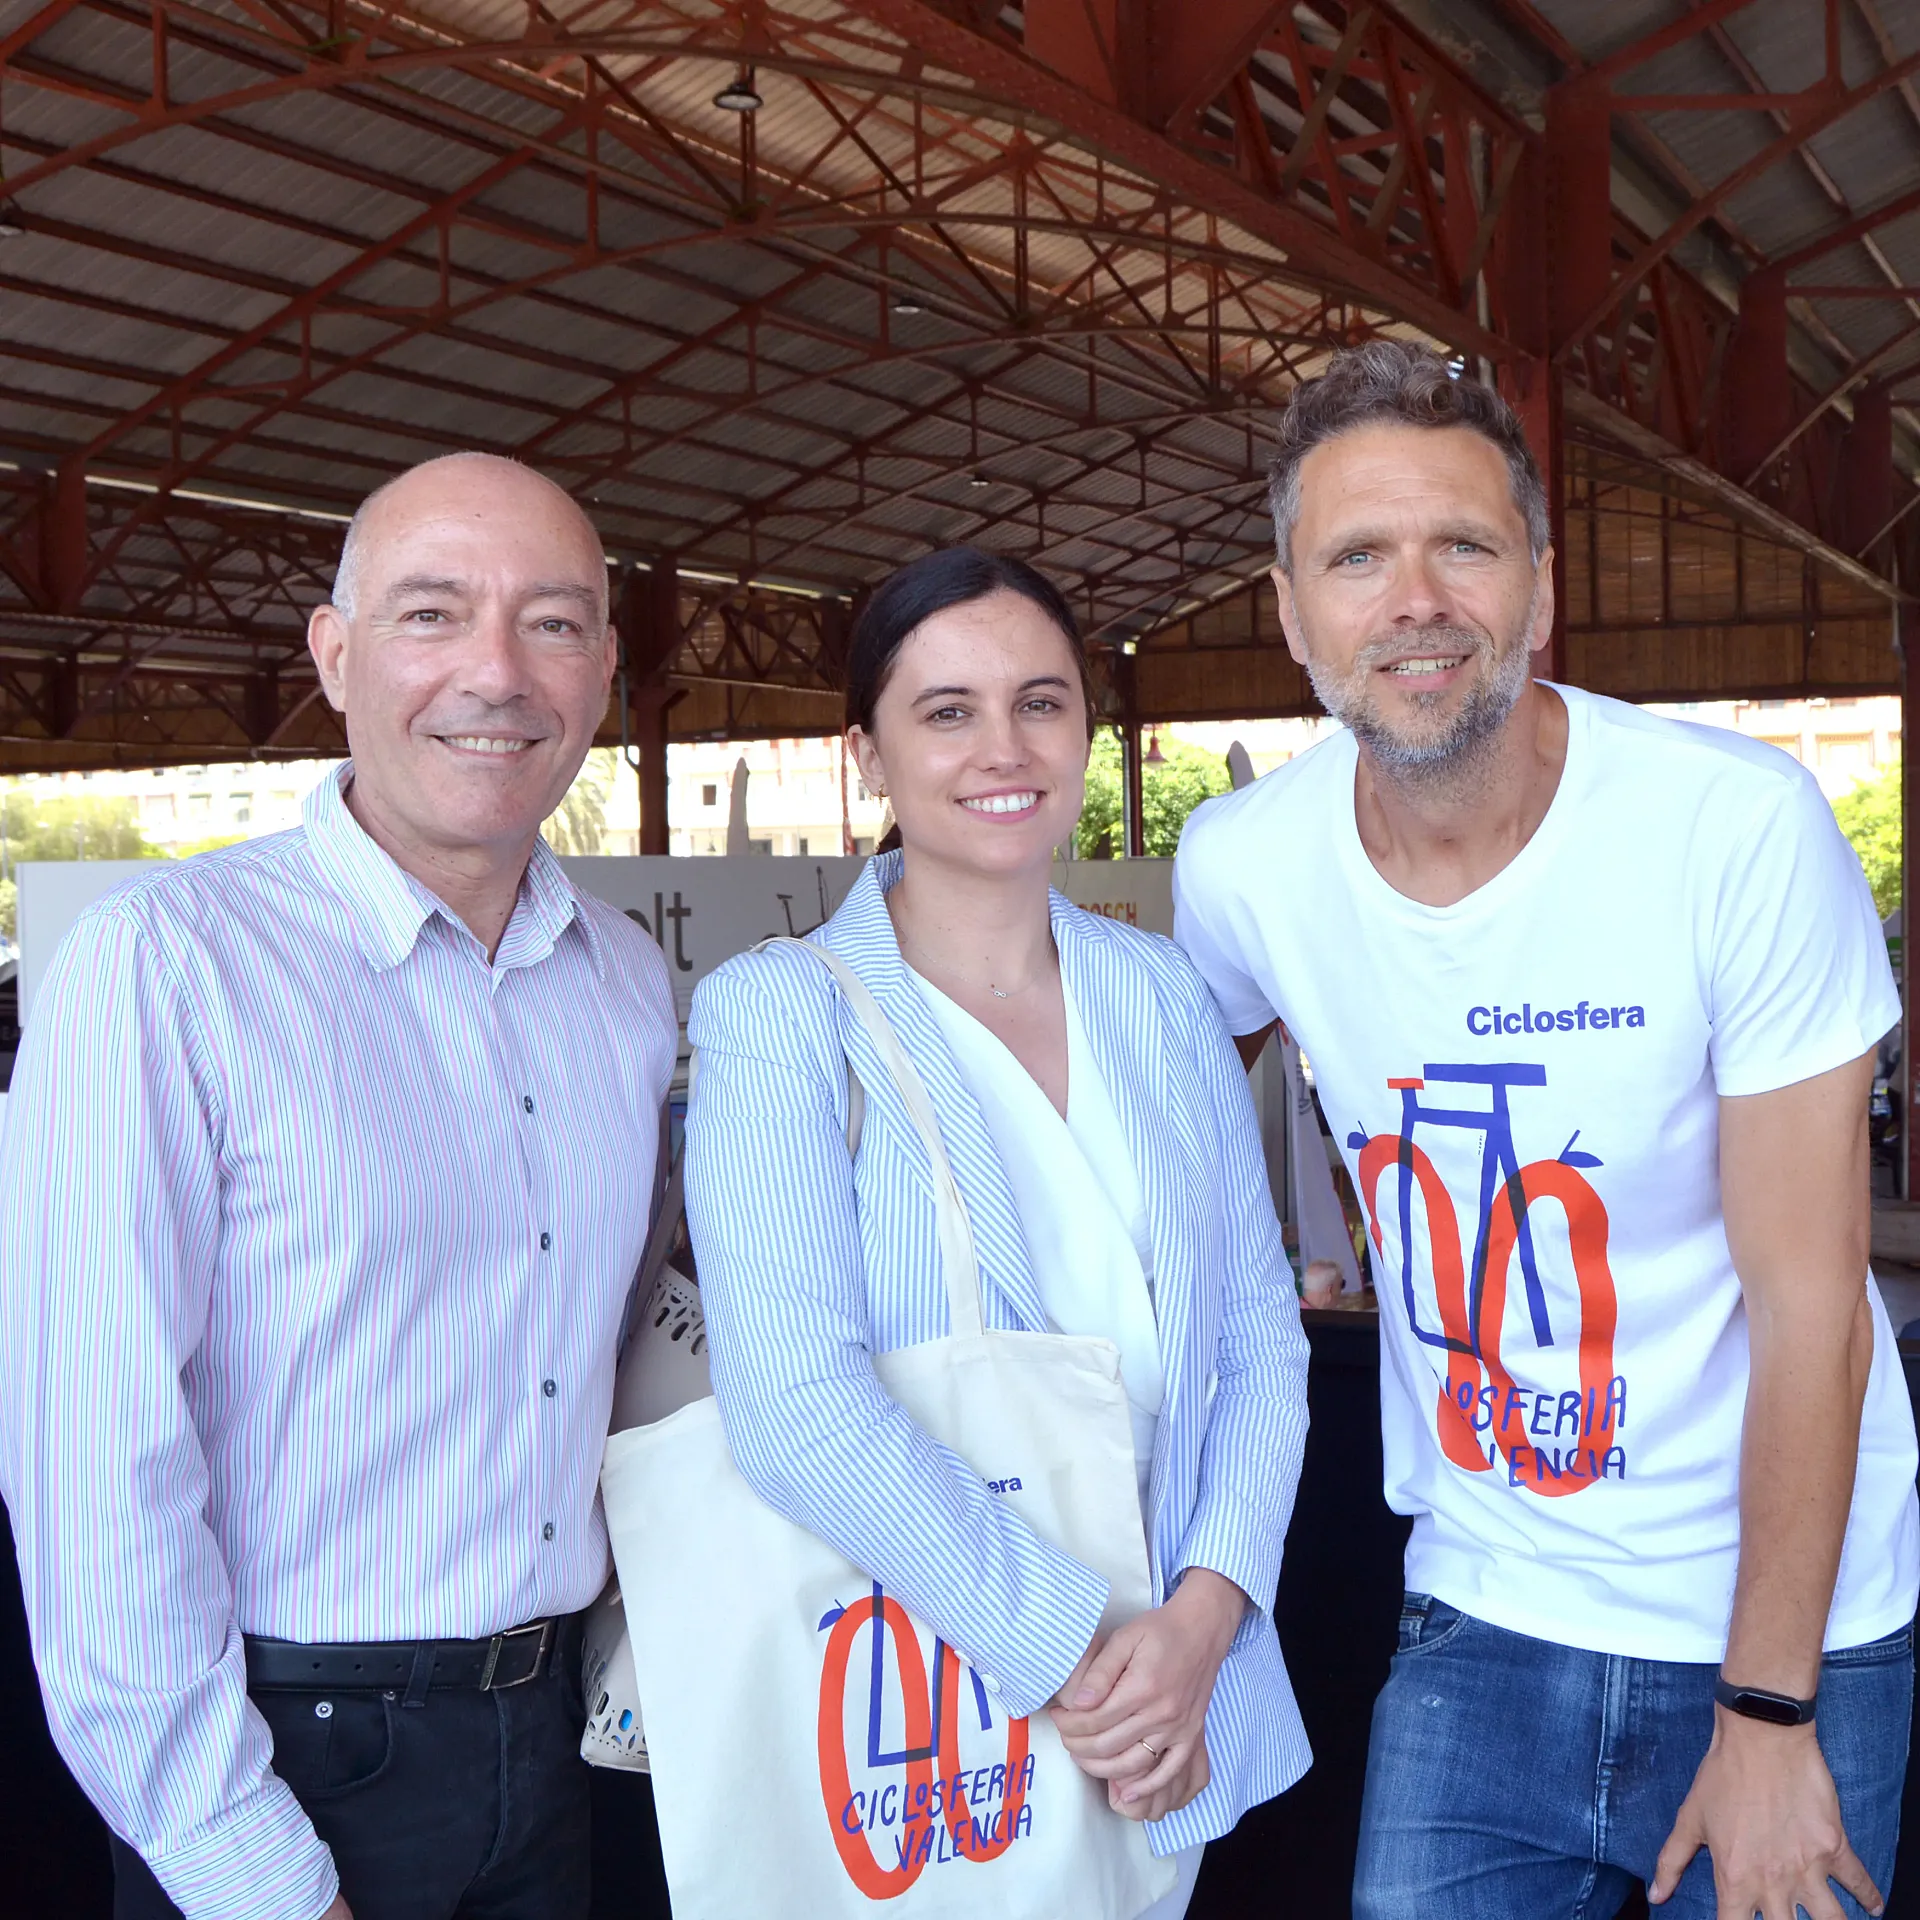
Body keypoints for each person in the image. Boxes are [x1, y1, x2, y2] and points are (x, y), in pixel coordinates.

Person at [1173, 340, 1920, 1920]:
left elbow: (1813, 1310)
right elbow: (1133, 1114)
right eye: (1358, 557)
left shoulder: (1734, 830)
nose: (1417, 598)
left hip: (1789, 1620)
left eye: (1465, 545)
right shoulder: (1242, 870)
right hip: (1490, 1599)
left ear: (1541, 586)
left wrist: (1769, 1710)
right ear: (1294, 612)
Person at [0, 452, 678, 1920]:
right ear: (335, 651)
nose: (496, 674)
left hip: (564, 1746)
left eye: (554, 624)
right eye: (433, 614)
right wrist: (247, 1868)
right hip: (287, 1755)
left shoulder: (624, 984)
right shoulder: (165, 966)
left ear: (606, 668)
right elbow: (95, 1464)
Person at [683, 546, 1312, 1916]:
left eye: (1041, 701)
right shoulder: (783, 1015)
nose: (1002, 747)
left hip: (1183, 1702)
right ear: (867, 753)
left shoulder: (1159, 997)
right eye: (946, 710)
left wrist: (1206, 1619)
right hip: (932, 1698)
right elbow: (795, 1408)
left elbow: (1261, 1336)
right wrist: (1088, 1654)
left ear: (1088, 728)